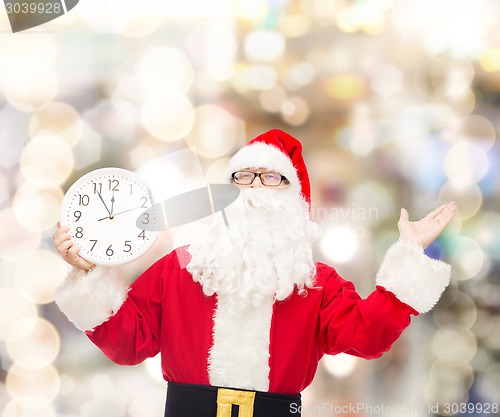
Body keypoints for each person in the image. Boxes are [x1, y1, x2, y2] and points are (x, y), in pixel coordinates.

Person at [53, 129, 457, 417]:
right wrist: (89, 274)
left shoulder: (316, 284)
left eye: (271, 178)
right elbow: (130, 343)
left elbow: (366, 337)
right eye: (243, 177)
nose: (255, 188)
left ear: (294, 200)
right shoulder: (181, 268)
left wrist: (409, 255)